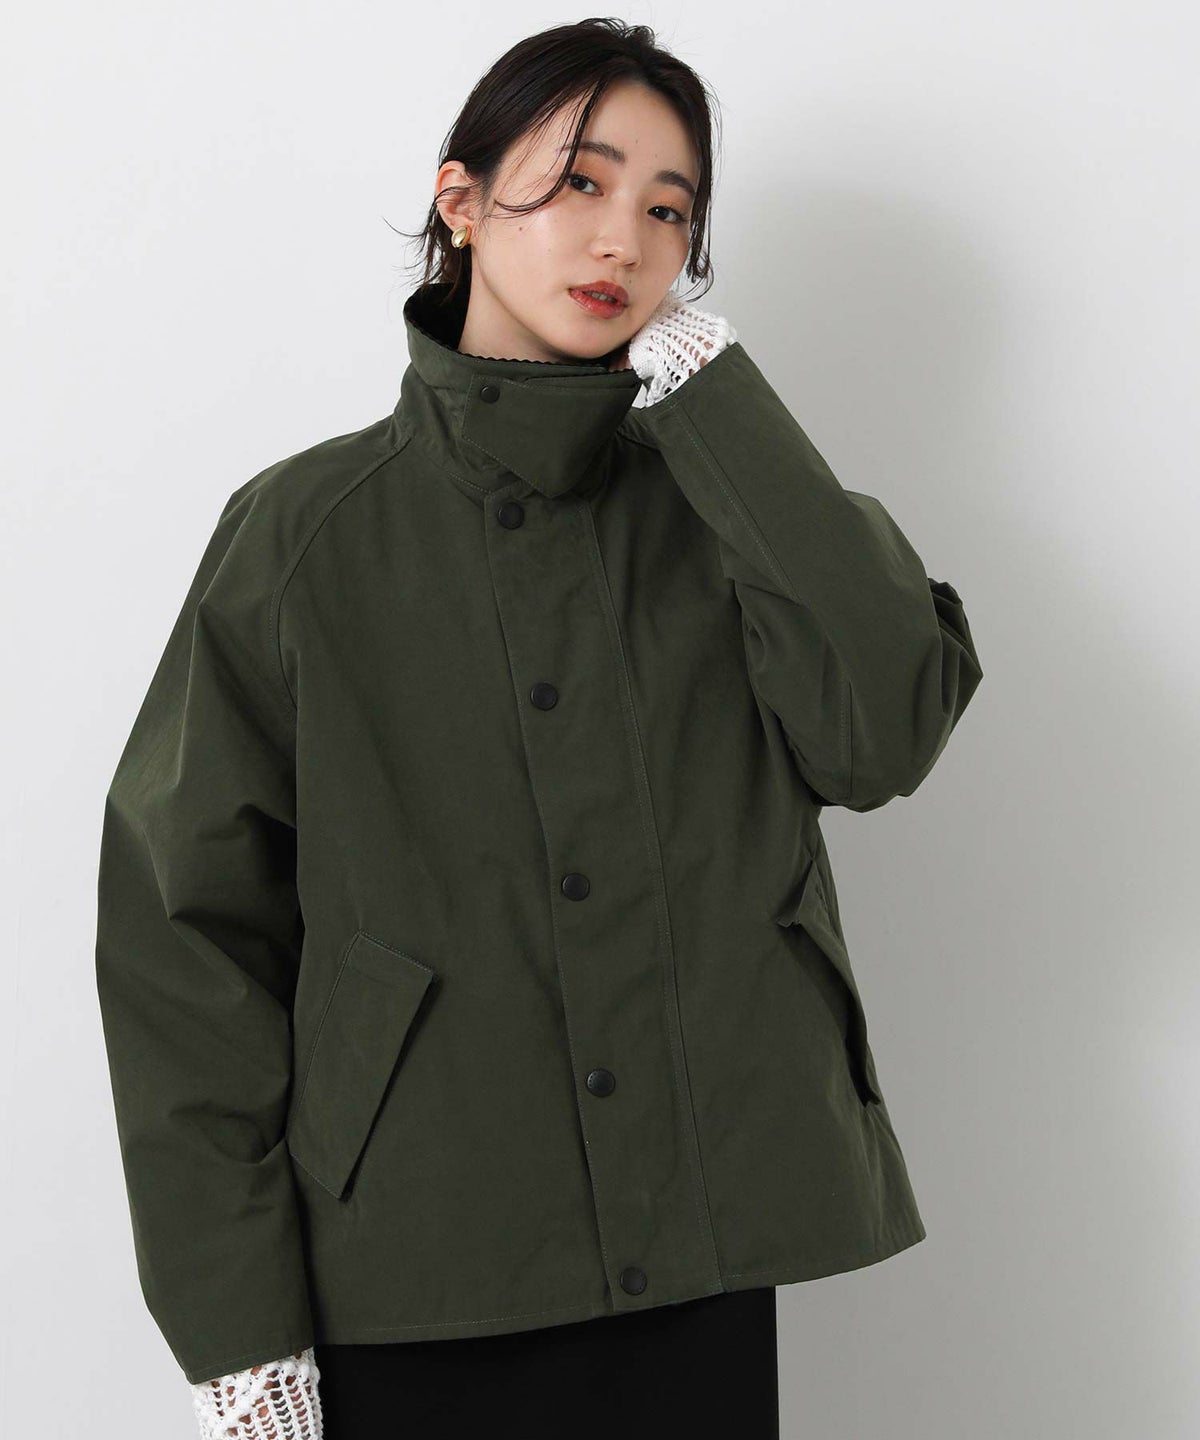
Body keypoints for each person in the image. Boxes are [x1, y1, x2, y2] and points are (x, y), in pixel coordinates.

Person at [95, 18, 983, 1440]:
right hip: (416, 1261)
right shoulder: (304, 537)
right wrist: (237, 1329)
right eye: (580, 180)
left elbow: (884, 733)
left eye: (670, 209)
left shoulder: (733, 503)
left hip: (700, 1251)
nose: (624, 237)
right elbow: (183, 945)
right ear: (462, 202)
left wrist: (728, 412)